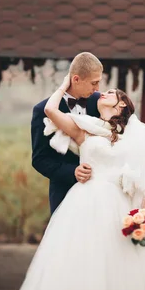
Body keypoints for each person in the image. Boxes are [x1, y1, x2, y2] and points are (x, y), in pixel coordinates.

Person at [12, 73, 145, 290]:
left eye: (110, 92)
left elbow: (140, 184)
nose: (101, 91)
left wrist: (142, 223)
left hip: (118, 207)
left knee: (120, 268)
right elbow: (51, 112)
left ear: (122, 104)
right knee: (77, 265)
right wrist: (63, 86)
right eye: (98, 86)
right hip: (83, 203)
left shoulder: (136, 135)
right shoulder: (86, 131)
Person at [31, 52, 102, 214]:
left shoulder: (101, 103)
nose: (97, 89)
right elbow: (39, 159)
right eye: (94, 83)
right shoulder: (42, 110)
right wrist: (72, 171)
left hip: (100, 191)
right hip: (64, 192)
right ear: (76, 79)